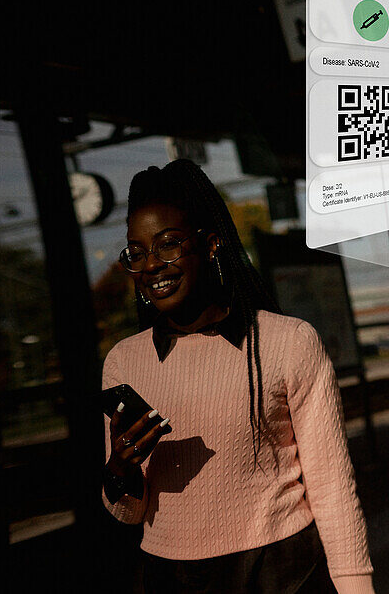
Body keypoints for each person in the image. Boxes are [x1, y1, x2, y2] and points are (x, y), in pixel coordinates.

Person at [101, 159, 374, 593]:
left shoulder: (288, 342)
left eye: (168, 244)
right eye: (137, 252)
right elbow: (129, 512)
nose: (151, 265)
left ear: (210, 245)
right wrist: (119, 469)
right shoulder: (123, 363)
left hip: (281, 574)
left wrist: (356, 589)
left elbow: (333, 489)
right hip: (170, 579)